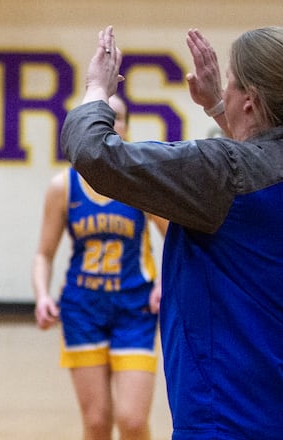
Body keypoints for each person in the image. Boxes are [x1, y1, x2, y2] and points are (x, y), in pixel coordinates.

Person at [61, 25, 283, 439]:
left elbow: (93, 152)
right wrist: (219, 105)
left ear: (250, 100)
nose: (226, 90)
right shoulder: (245, 178)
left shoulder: (221, 174)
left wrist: (97, 90)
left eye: (231, 84)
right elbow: (265, 159)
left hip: (225, 418)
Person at [32, 94, 168, 440]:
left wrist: (163, 284)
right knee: (96, 423)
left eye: (117, 116)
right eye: (102, 117)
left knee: (132, 420)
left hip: (134, 307)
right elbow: (44, 253)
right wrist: (42, 295)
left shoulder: (140, 181)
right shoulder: (63, 186)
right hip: (83, 308)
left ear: (126, 126)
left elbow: (177, 242)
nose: (111, 123)